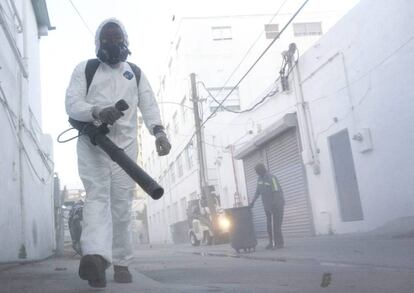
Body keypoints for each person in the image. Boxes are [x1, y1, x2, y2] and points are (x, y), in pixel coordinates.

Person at [65, 18, 171, 288]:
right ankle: (96, 260)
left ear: (125, 42)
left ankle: (122, 261)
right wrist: (97, 111)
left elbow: (148, 104)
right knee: (97, 199)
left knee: (121, 206)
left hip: (125, 148)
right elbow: (72, 103)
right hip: (94, 145)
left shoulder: (134, 72)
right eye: (106, 39)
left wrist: (158, 132)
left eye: (116, 38)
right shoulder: (86, 69)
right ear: (98, 43)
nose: (112, 43)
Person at [249, 163, 285, 250]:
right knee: (269, 226)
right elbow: (258, 192)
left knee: (276, 225)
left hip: (277, 205)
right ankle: (271, 243)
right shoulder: (259, 179)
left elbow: (277, 192)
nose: (256, 173)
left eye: (257, 171)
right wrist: (252, 202)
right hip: (267, 207)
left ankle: (279, 244)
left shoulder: (271, 178)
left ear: (262, 170)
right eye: (256, 171)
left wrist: (274, 204)